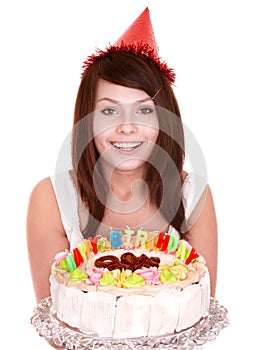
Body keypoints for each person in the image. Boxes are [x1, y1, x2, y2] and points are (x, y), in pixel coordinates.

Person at [27, 8, 217, 310]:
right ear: (87, 119)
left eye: (143, 110)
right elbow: (54, 321)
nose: (127, 127)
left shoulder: (192, 195)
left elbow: (197, 312)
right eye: (109, 111)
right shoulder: (51, 198)